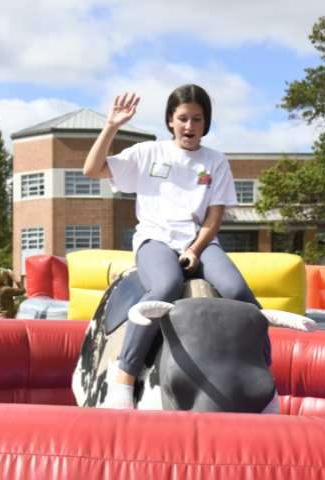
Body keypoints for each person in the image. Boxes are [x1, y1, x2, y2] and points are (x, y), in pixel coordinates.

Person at [83, 84, 267, 409]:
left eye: (197, 119)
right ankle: (125, 374)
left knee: (238, 291)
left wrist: (196, 249)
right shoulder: (148, 153)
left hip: (199, 241)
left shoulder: (216, 161)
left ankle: (264, 370)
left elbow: (214, 217)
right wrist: (111, 126)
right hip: (155, 240)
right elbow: (91, 169)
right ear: (170, 120)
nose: (189, 126)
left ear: (205, 123)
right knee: (167, 284)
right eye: (183, 118)